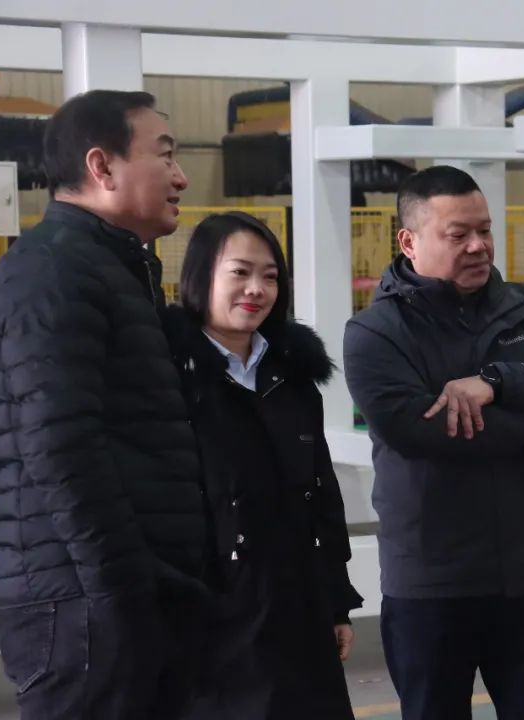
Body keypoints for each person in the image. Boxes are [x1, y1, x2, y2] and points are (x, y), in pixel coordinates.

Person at [343, 165, 524, 720]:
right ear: (409, 242)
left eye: (484, 230)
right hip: (431, 584)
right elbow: (420, 429)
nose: (478, 246)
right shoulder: (376, 333)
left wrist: (496, 382)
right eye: (457, 234)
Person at [0, 90, 206, 719]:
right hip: (87, 610)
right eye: (165, 156)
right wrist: (125, 594)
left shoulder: (108, 268)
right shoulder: (53, 272)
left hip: (112, 598)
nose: (181, 178)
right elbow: (59, 447)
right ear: (102, 167)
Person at [162, 211, 361, 719]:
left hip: (298, 601)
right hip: (215, 612)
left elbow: (321, 494)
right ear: (200, 276)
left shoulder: (292, 377)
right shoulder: (169, 379)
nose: (256, 289)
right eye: (240, 272)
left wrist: (336, 602)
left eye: (270, 277)